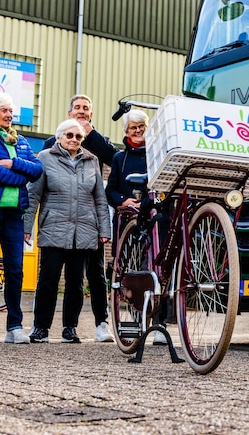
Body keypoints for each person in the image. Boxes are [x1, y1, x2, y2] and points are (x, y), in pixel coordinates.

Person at [25, 119, 111, 344]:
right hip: (54, 227)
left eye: (78, 137)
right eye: (69, 135)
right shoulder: (44, 158)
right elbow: (33, 195)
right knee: (48, 280)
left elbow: (100, 200)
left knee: (76, 283)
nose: (74, 140)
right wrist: (27, 227)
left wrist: (104, 230)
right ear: (59, 137)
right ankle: (41, 327)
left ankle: (69, 328)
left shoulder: (92, 161)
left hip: (84, 230)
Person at [42, 94, 118, 342]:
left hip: (90, 222)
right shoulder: (53, 142)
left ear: (91, 114)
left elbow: (113, 158)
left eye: (86, 108)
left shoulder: (97, 144)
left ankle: (101, 323)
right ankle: (44, 326)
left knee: (96, 274)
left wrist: (91, 134)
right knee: (53, 275)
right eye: (77, 107)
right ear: (69, 112)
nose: (82, 111)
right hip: (60, 222)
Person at [0, 91, 43, 344]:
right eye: (4, 110)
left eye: (11, 111)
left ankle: (15, 326)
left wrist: (14, 165)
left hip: (15, 214)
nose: (9, 115)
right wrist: (21, 176)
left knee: (15, 270)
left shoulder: (20, 140)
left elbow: (37, 170)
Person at [104, 109, 166, 345]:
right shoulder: (120, 158)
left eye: (141, 127)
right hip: (128, 219)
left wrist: (149, 201)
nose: (138, 131)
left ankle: (159, 324)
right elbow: (110, 191)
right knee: (130, 271)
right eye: (133, 128)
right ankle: (134, 321)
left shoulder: (158, 153)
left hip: (153, 214)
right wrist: (123, 200)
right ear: (126, 132)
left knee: (158, 267)